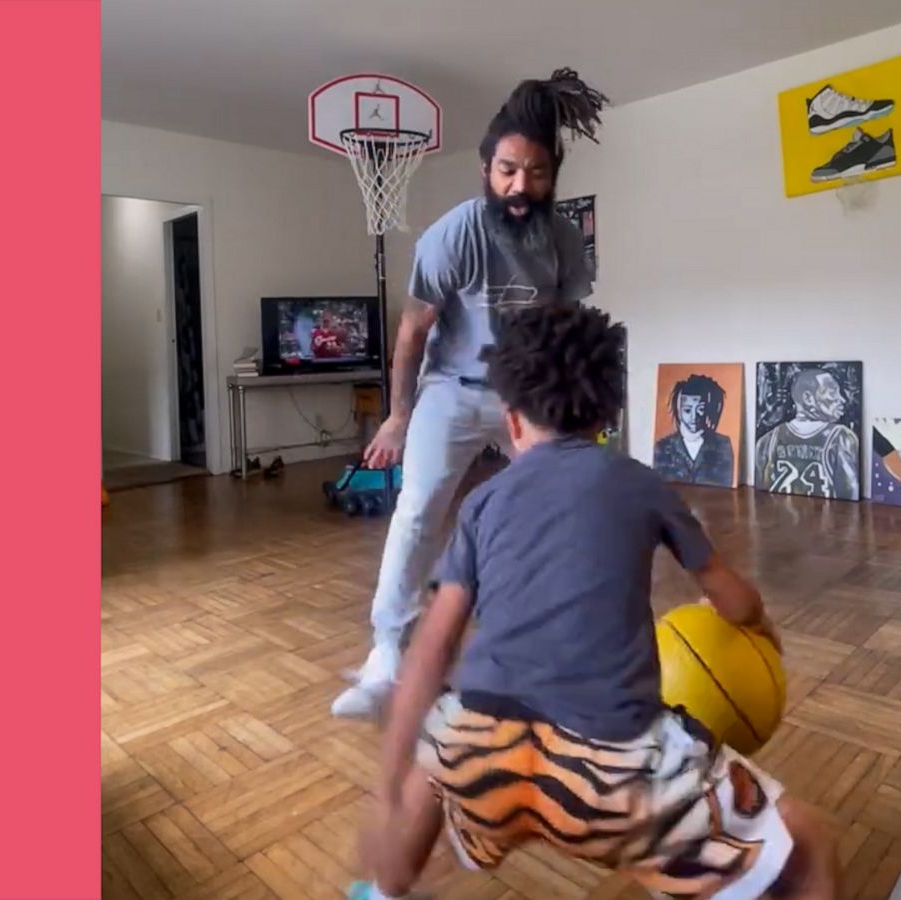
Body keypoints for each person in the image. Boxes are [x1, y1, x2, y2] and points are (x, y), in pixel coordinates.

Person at [350, 305, 840, 900]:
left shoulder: (483, 503)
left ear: (511, 420)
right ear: (608, 414)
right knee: (809, 843)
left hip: (486, 757)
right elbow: (732, 598)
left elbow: (432, 649)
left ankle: (385, 887)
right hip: (611, 770)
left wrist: (386, 789)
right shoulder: (639, 482)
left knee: (441, 752)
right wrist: (759, 624)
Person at [332, 69, 609, 718]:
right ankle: (387, 656)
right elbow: (412, 332)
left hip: (528, 394)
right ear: (486, 168)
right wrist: (399, 416)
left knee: (563, 510)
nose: (520, 186)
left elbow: (566, 328)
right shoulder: (453, 235)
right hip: (451, 390)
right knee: (420, 506)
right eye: (507, 169)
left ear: (553, 176)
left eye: (536, 173)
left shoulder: (566, 242)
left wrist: (575, 411)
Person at [754, 368, 860, 499]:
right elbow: (849, 493)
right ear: (808, 398)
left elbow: (760, 493)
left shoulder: (767, 441)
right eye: (833, 393)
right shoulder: (841, 438)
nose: (842, 399)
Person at [653, 374, 736, 486]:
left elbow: (725, 484)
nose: (694, 416)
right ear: (679, 410)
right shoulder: (663, 447)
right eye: (687, 410)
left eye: (700, 409)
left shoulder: (722, 445)